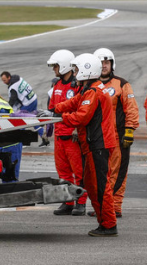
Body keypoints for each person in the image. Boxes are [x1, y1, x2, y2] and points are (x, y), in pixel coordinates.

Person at [49, 53, 120, 237]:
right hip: (94, 144)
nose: (75, 72)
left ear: (87, 70)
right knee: (92, 184)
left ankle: (109, 225)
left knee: (100, 187)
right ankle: (104, 222)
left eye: (78, 69)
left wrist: (60, 117)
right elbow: (74, 102)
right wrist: (56, 109)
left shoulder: (94, 91)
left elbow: (81, 117)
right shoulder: (88, 89)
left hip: (99, 145)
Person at [94, 48, 139, 218]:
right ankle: (104, 206)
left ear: (112, 64)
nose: (104, 66)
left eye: (107, 62)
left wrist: (129, 130)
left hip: (118, 137)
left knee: (118, 171)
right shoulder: (92, 85)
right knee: (101, 173)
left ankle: (115, 206)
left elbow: (131, 109)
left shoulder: (122, 84)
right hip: (98, 138)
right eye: (101, 63)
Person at [46, 49, 87, 216]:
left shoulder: (77, 86)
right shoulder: (56, 84)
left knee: (79, 171)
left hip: (72, 136)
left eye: (55, 66)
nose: (54, 69)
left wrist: (77, 129)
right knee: (63, 171)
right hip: (59, 134)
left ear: (63, 66)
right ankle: (68, 201)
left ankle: (81, 202)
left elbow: (81, 109)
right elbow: (52, 109)